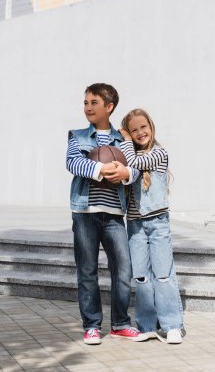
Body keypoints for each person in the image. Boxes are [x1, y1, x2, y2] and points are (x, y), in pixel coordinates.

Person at [66, 83, 148, 345]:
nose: (88, 107)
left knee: (123, 270)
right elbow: (73, 162)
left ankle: (120, 324)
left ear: (109, 107)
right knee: (87, 271)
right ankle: (91, 325)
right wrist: (103, 168)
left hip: (114, 215)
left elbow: (134, 169)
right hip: (85, 213)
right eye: (86, 102)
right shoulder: (77, 135)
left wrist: (124, 173)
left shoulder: (122, 139)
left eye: (94, 103)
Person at [119, 108, 184, 344]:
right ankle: (147, 325)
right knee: (141, 277)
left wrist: (125, 139)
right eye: (133, 130)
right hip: (135, 225)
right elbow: (128, 168)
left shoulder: (159, 153)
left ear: (151, 126)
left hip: (158, 223)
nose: (139, 133)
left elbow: (134, 161)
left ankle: (172, 325)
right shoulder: (129, 156)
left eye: (142, 127)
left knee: (164, 275)